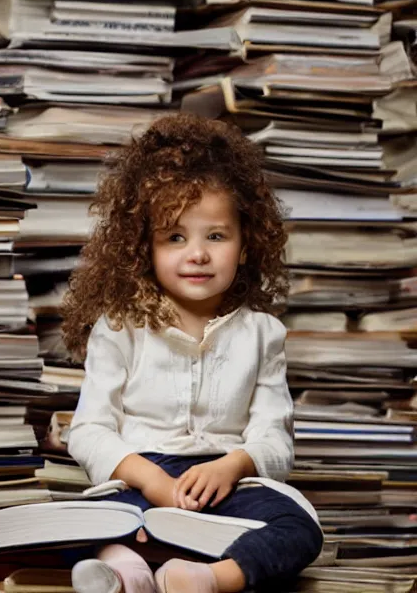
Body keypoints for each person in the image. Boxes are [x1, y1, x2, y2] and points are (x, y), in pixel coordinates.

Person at [62, 114, 323, 593]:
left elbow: (275, 438)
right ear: (145, 247)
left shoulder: (263, 334)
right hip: (140, 484)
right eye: (175, 237)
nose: (198, 254)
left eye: (216, 236)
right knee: (82, 522)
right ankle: (126, 572)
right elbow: (89, 431)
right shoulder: (120, 328)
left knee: (300, 529)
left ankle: (208, 577)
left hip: (226, 487)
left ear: (245, 245)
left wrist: (233, 466)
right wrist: (153, 481)